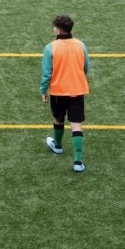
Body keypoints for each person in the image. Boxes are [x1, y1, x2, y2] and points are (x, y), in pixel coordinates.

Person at [41, 15, 90, 173]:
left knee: (58, 119)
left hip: (58, 92)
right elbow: (85, 67)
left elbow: (47, 73)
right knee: (76, 124)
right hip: (77, 90)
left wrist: (43, 90)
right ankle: (77, 161)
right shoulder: (81, 45)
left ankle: (58, 146)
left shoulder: (50, 47)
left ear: (57, 29)